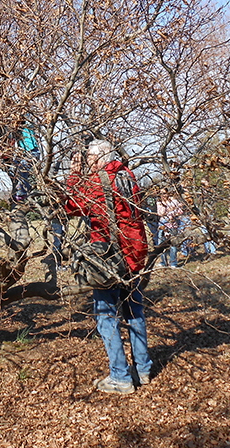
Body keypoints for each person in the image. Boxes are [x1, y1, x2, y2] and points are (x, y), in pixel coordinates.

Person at [64, 139, 153, 394]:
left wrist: (73, 176)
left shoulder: (98, 181)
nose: (87, 161)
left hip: (110, 259)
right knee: (134, 312)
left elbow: (72, 206)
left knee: (106, 316)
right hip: (134, 255)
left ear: (98, 158)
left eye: (89, 157)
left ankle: (120, 377)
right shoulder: (128, 175)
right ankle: (143, 369)